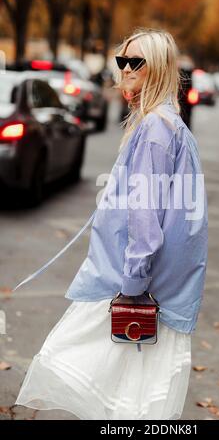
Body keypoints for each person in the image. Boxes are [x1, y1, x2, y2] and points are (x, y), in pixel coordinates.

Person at [14, 28, 208, 420]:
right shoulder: (167, 125)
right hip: (158, 286)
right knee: (131, 401)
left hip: (132, 287)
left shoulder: (155, 128)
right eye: (123, 60)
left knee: (105, 388)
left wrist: (132, 287)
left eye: (137, 61)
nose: (127, 68)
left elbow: (146, 218)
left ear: (159, 68)